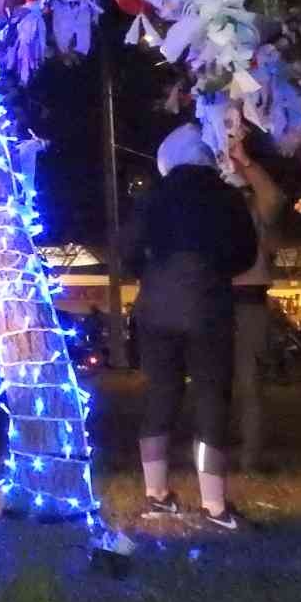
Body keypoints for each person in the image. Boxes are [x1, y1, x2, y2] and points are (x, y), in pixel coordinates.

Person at [125, 123, 258, 531]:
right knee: (211, 399)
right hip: (208, 307)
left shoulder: (152, 198)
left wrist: (150, 273)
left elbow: (127, 249)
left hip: (156, 309)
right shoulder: (227, 198)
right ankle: (214, 505)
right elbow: (246, 254)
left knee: (160, 394)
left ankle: (155, 494)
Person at [228, 136, 286, 472]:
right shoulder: (215, 204)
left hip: (247, 301)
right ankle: (218, 459)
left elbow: (274, 198)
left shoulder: (254, 209)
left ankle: (248, 458)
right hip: (223, 300)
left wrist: (246, 163)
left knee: (249, 384)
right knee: (222, 384)